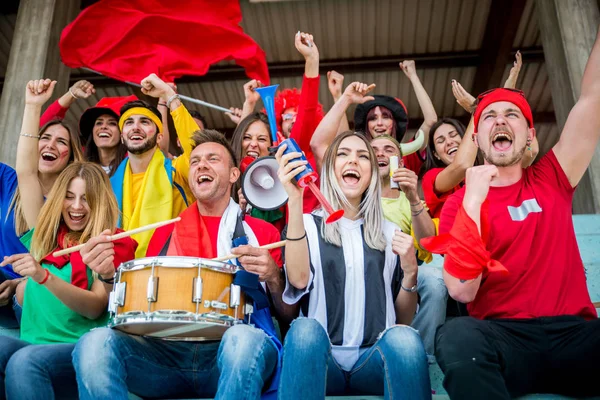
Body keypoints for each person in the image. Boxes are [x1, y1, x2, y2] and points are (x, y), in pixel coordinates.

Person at [423, 27, 600, 399]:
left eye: (511, 115)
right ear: (476, 139)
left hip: (575, 336)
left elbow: (592, 98)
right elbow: (461, 288)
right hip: (504, 341)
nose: (500, 121)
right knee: (455, 336)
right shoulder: (460, 202)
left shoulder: (553, 176)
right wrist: (472, 200)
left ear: (529, 134)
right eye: (489, 117)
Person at [73, 129, 295, 400]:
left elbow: (288, 315)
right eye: (194, 161)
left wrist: (273, 276)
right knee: (94, 343)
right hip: (165, 353)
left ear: (234, 175)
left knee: (244, 339)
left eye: (213, 159)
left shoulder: (263, 233)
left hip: (234, 349)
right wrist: (108, 275)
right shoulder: (165, 233)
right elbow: (140, 304)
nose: (201, 164)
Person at [276, 130, 431, 399]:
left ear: (371, 173)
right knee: (303, 330)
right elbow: (299, 281)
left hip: (373, 361)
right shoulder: (307, 225)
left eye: (362, 156)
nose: (353, 161)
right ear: (329, 169)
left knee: (406, 340)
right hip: (322, 363)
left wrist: (410, 273)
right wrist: (295, 197)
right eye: (343, 154)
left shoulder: (390, 232)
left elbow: (403, 322)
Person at [0, 158, 136, 399]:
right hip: (32, 343)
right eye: (69, 196)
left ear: (100, 201)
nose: (76, 206)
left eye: (86, 198)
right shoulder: (45, 235)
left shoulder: (112, 242)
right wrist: (19, 283)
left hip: (80, 350)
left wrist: (42, 276)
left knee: (24, 362)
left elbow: (95, 308)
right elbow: (26, 171)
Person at [421, 52, 533, 219]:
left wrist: (509, 96)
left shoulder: (494, 167)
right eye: (440, 140)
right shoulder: (431, 179)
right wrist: (478, 110)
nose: (449, 142)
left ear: (469, 138)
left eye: (453, 135)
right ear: (435, 153)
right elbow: (462, 165)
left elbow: (530, 153)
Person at [371, 134, 446, 364]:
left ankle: (421, 357)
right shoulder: (353, 196)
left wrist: (413, 197)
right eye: (373, 150)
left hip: (401, 275)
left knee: (434, 281)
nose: (381, 153)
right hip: (365, 269)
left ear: (400, 164)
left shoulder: (411, 202)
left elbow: (427, 245)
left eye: (388, 150)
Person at [109, 73, 198, 257]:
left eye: (145, 122)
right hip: (123, 275)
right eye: (129, 123)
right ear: (123, 136)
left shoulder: (177, 171)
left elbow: (199, 147)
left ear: (159, 137)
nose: (136, 127)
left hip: (172, 270)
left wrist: (168, 95)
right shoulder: (108, 186)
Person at [78, 95, 138, 175]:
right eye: (99, 123)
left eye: (112, 123)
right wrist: (71, 95)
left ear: (123, 133)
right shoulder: (79, 162)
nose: (103, 127)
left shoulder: (135, 164)